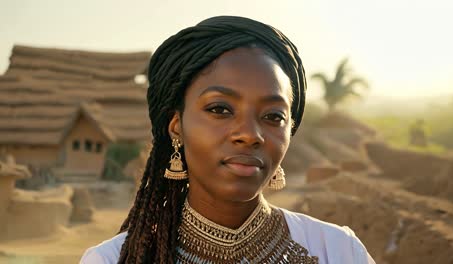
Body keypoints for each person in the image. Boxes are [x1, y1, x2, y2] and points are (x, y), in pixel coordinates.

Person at [80, 16, 375, 264]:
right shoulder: (111, 260)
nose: (249, 134)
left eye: (273, 116)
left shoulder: (338, 251)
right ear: (176, 126)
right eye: (219, 109)